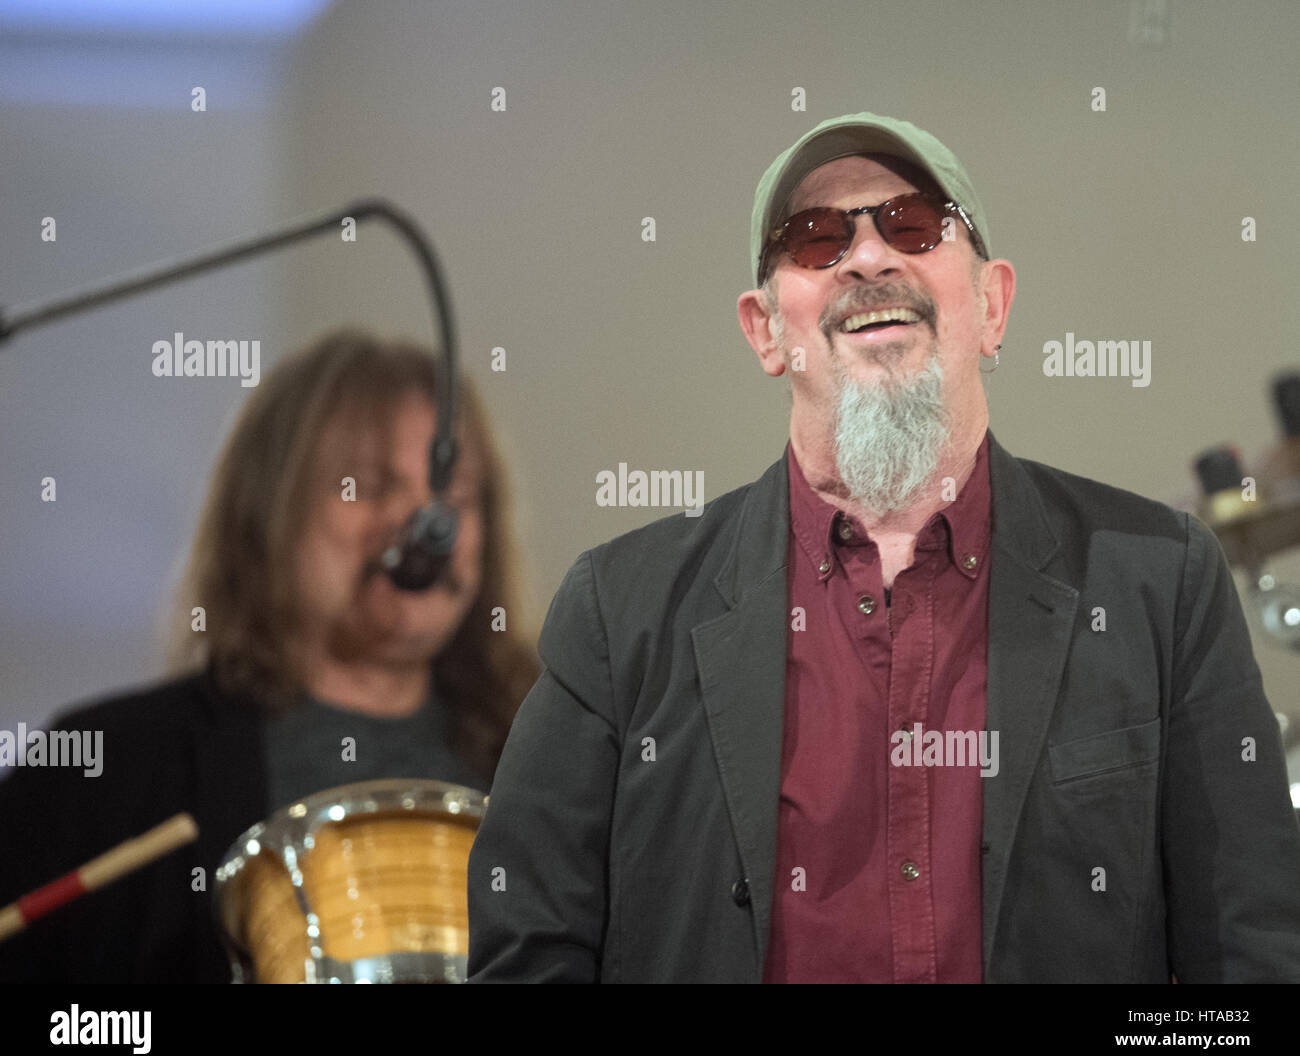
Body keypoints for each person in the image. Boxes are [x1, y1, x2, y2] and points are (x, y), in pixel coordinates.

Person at [466, 111, 1300, 983]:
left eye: (913, 225)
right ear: (764, 331)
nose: (867, 258)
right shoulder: (620, 609)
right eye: (816, 238)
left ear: (992, 304)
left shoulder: (1159, 583)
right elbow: (526, 949)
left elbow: (1252, 961)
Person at [0, 328, 538, 983]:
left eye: (453, 499)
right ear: (267, 510)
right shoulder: (106, 769)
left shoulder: (559, 764)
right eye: (367, 487)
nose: (425, 525)